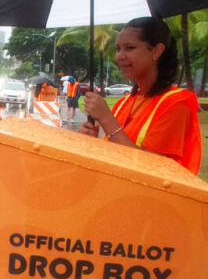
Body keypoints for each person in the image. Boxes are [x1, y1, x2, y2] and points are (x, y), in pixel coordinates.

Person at [79, 16, 201, 174]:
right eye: (118, 49)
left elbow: (151, 169)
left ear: (157, 51)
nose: (119, 56)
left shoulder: (176, 104)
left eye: (129, 48)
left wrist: (106, 119)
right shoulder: (124, 102)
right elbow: (117, 157)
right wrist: (91, 143)